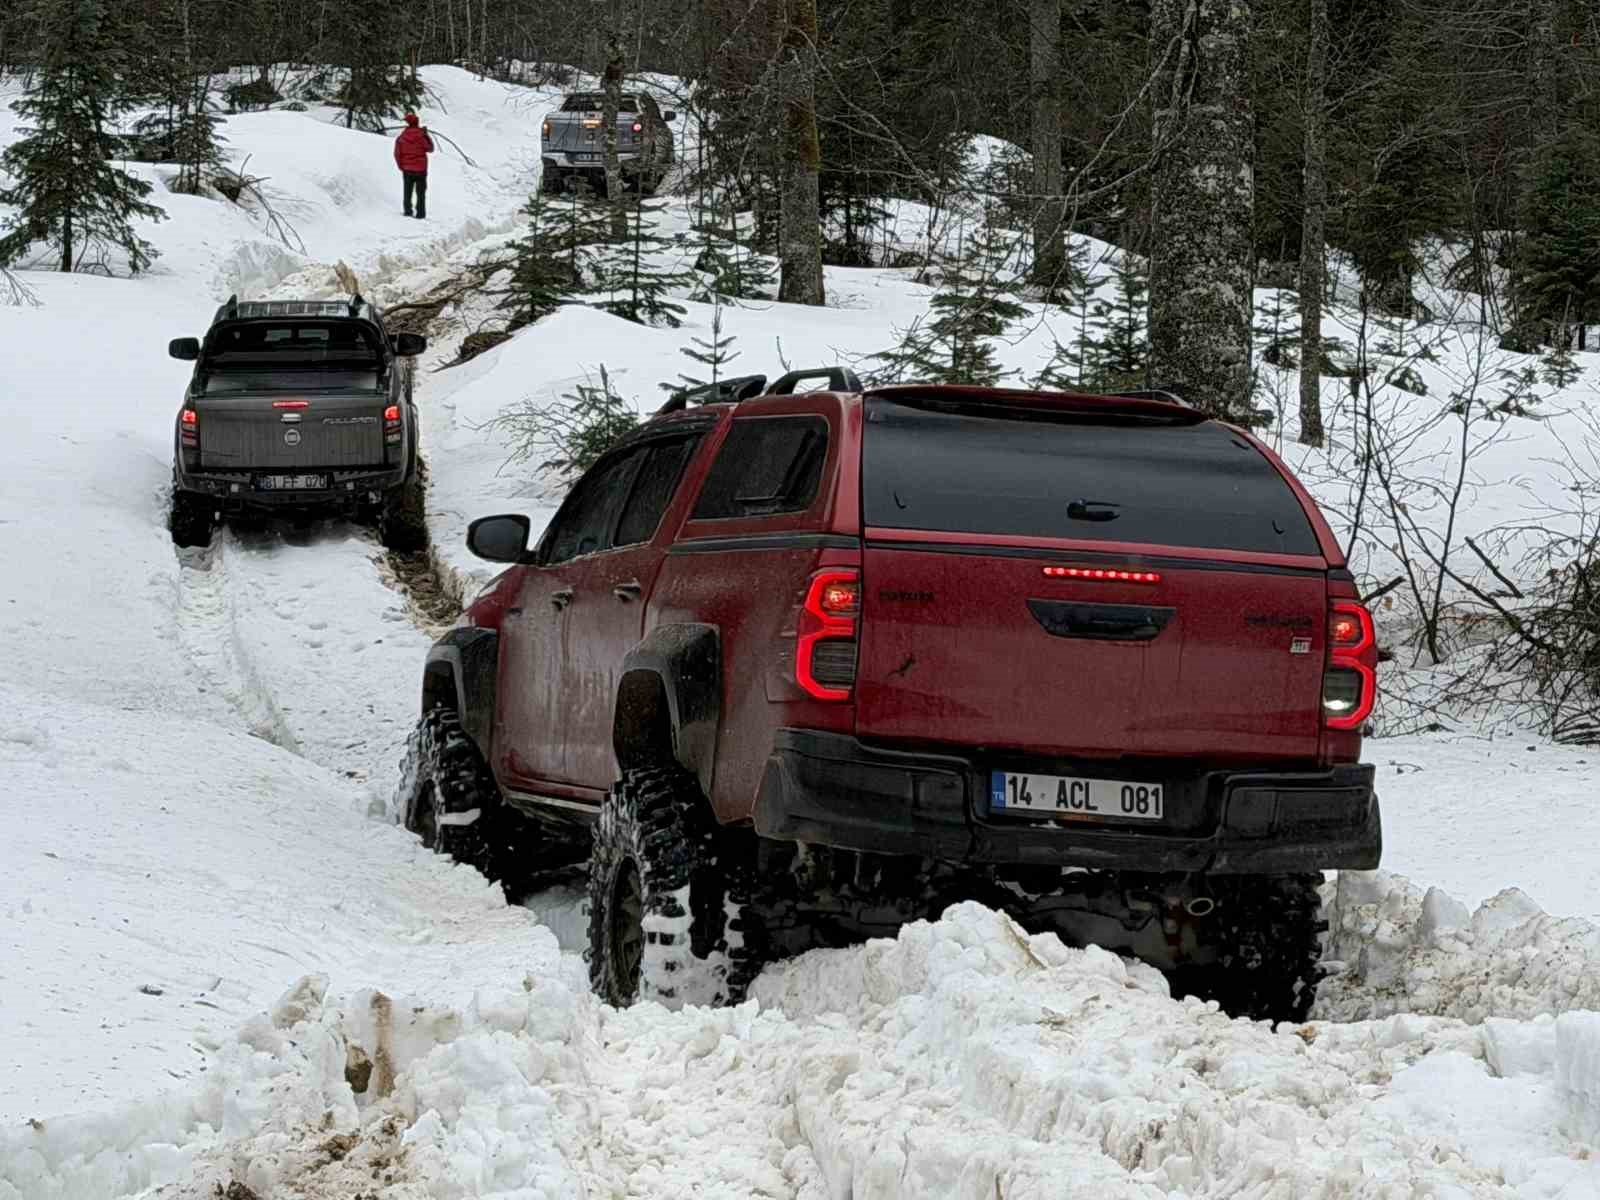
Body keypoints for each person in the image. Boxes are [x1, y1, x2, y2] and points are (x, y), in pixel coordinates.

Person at [394, 113, 434, 219]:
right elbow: (430, 148)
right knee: (420, 193)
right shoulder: (421, 135)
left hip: (407, 169)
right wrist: (426, 135)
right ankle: (420, 213)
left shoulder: (402, 137)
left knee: (407, 191)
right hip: (421, 169)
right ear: (417, 123)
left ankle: (408, 211)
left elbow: (397, 153)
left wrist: (401, 166)